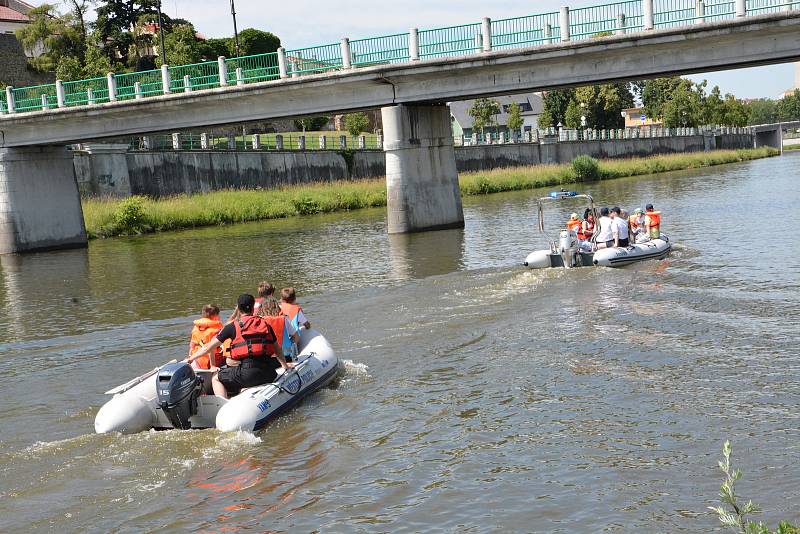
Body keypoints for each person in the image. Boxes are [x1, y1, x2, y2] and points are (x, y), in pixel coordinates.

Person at [187, 294, 293, 399]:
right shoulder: (265, 324)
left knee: (216, 378)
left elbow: (208, 347)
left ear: (238, 308)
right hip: (269, 373)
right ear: (252, 308)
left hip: (247, 375)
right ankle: (244, 390)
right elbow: (277, 349)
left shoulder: (232, 327)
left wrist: (191, 358)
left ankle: (223, 404)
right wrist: (285, 366)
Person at [188, 304, 224, 370]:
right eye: (218, 315)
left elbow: (192, 345)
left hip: (198, 360)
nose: (220, 317)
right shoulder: (215, 330)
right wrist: (212, 366)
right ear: (214, 316)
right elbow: (211, 348)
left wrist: (190, 356)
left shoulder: (196, 327)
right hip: (211, 361)